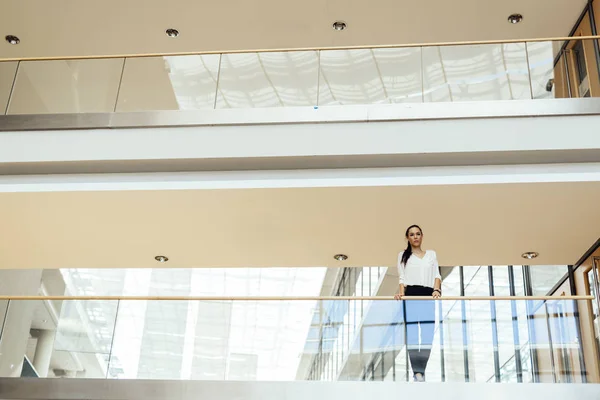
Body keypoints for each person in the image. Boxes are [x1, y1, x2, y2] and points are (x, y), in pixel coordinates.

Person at [393, 224, 441, 382]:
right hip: (411, 295)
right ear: (407, 238)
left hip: (428, 295)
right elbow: (402, 278)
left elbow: (437, 275)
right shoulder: (403, 255)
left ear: (422, 236)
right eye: (412, 234)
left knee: (427, 334)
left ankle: (421, 369)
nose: (415, 236)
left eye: (418, 234)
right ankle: (417, 372)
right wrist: (401, 293)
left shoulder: (431, 254)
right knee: (413, 335)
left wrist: (436, 290)